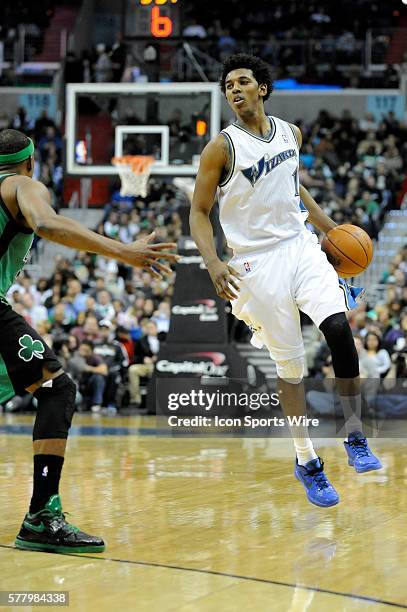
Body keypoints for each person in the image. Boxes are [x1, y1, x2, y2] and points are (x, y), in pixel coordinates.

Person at [190, 54, 381, 509]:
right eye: (228, 85)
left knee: (337, 327)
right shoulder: (222, 147)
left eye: (243, 82)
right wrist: (214, 261)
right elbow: (199, 212)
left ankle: (354, 434)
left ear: (263, 88)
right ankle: (306, 459)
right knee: (291, 370)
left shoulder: (290, 134)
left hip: (299, 247)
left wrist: (328, 227)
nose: (234, 90)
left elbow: (294, 186)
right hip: (255, 265)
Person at [0, 128, 178, 553]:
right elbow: (46, 222)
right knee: (56, 388)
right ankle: (42, 516)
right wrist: (123, 252)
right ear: (30, 162)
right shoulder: (22, 184)